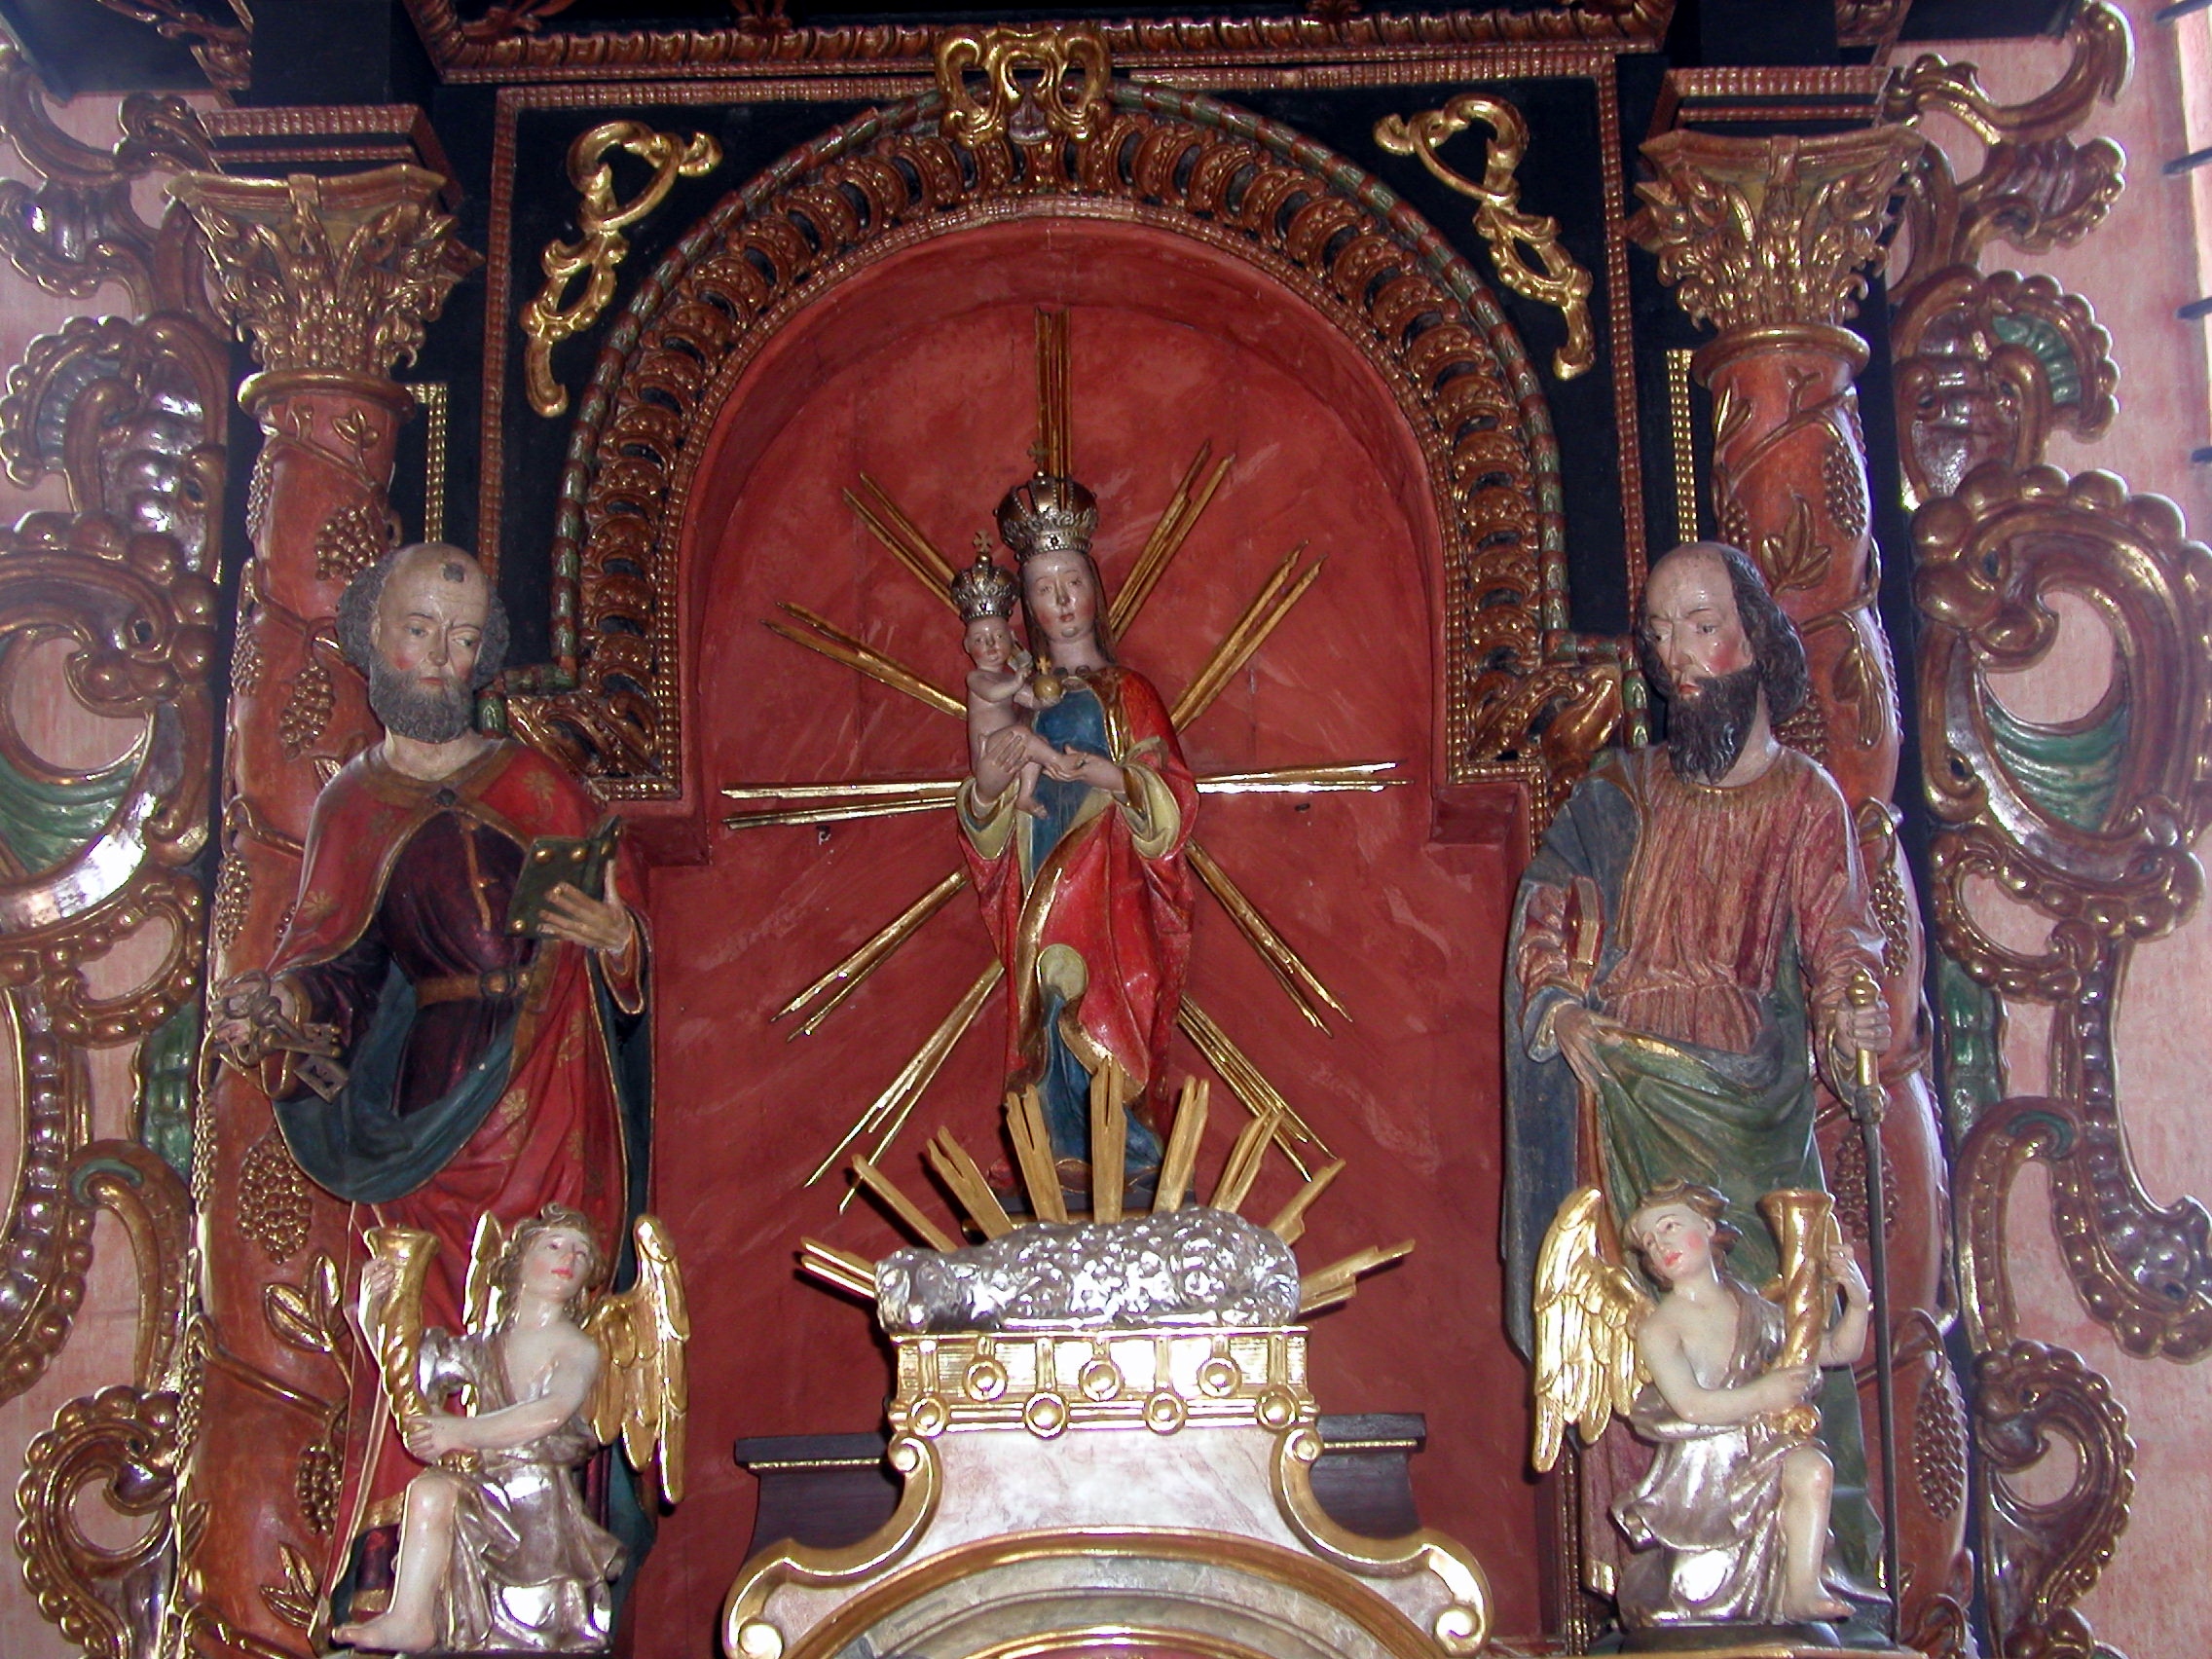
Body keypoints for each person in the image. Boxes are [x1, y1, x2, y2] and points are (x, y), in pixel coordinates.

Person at [207, 542, 649, 1621]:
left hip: (548, 1088)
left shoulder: (537, 784)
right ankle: (403, 1574)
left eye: (463, 638)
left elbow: (620, 924)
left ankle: (535, 1575)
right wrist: (285, 1004)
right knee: (420, 1329)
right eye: (420, 632)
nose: (443, 657)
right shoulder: (355, 803)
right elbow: (334, 962)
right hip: (428, 1099)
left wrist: (619, 941)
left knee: (544, 1315)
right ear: (374, 639)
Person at [1503, 540, 1892, 1587]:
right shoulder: (1621, 793)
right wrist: (1559, 1006)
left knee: (1776, 1325)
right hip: (1628, 1093)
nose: (1677, 656)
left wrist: (1851, 1013)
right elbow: (1547, 902)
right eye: (1660, 634)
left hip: (1749, 1106)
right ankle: (1676, 1574)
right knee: (1653, 1333)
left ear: (1755, 638)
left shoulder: (1805, 800)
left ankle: (1796, 1571)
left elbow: (1841, 946)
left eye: (1701, 626)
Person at [958, 471, 1197, 1202]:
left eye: (1071, 583)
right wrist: (989, 792)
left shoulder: (1131, 694)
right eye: (1043, 589)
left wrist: (1110, 776)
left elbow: (1174, 804)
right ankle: (1063, 1157)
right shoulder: (1020, 700)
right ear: (1025, 606)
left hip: (1112, 893)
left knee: (1109, 1011)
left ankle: (1127, 1152)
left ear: (1095, 587)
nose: (1061, 602)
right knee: (1050, 1009)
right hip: (1042, 889)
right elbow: (989, 833)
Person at [332, 1206, 625, 1653]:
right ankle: (410, 1619)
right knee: (430, 1490)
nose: (569, 1258)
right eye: (554, 1245)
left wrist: (459, 1433)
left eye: (582, 1253)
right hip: (482, 1483)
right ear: (518, 1263)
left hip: (534, 1499)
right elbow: (412, 1383)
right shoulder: (484, 1345)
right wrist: (377, 1313)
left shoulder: (576, 1347)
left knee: (533, 1612)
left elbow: (550, 1411)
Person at [1615, 1182, 1869, 1628]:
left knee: (1813, 1469)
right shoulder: (1660, 1328)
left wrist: (1860, 1303)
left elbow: (1834, 1350)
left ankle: (1801, 1590)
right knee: (1698, 1589)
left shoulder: (1751, 1306)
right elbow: (1691, 1406)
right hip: (1707, 1475)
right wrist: (1765, 1394)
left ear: (1707, 1226)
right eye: (1650, 1242)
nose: (1661, 1245)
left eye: (1670, 1227)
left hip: (1763, 1450)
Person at [952, 544, 1052, 821]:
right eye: (980, 640)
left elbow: (1031, 699)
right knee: (1021, 734)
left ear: (1011, 639)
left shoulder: (1008, 678)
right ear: (967, 646)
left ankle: (1025, 796)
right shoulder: (976, 677)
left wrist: (1046, 698)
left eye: (997, 637)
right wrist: (1018, 679)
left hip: (1011, 749)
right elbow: (995, 693)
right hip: (989, 755)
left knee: (1036, 741)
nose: (991, 645)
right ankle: (1059, 762)